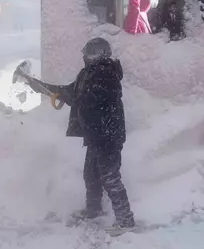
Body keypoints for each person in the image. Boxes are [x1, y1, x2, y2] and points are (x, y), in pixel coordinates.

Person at [22, 38, 136, 230]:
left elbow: (85, 99)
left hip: (108, 136)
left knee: (110, 177)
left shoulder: (107, 75)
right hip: (96, 135)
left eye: (87, 53)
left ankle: (126, 220)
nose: (83, 56)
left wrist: (64, 96)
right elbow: (70, 91)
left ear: (98, 55)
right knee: (91, 175)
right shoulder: (87, 73)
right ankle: (94, 210)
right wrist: (43, 87)